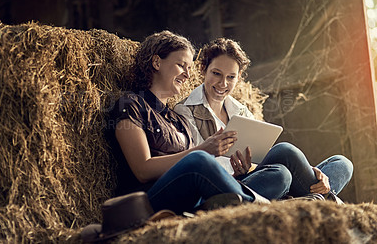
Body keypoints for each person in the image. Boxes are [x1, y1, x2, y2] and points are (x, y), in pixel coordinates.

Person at [105, 31, 293, 215]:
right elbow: (142, 170)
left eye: (189, 68)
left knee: (279, 173)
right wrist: (203, 150)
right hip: (151, 201)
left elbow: (200, 175)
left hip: (194, 200)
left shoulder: (176, 119)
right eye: (181, 65)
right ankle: (261, 207)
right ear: (156, 62)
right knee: (198, 160)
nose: (187, 75)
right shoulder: (131, 104)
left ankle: (225, 206)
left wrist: (235, 175)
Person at [174, 38, 353, 201]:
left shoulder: (240, 110)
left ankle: (315, 199)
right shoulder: (185, 110)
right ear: (203, 69)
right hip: (228, 186)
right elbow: (194, 166)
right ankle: (327, 201)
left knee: (342, 164)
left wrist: (307, 169)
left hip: (252, 177)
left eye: (231, 77)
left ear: (239, 77)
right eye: (216, 74)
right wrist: (240, 172)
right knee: (282, 166)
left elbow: (260, 159)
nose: (223, 84)